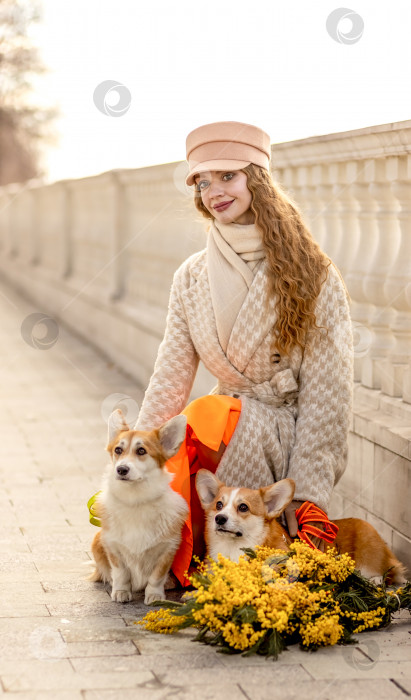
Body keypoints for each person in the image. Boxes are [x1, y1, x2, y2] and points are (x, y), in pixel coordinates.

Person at [133, 121, 354, 586]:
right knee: (186, 429)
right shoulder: (191, 277)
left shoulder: (314, 273)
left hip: (281, 428)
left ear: (257, 179)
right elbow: (171, 375)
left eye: (227, 176)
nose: (214, 191)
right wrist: (136, 454)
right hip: (220, 421)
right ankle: (169, 555)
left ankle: (207, 560)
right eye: (203, 181)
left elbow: (327, 394)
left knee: (208, 415)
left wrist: (307, 496)